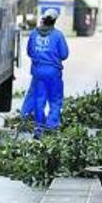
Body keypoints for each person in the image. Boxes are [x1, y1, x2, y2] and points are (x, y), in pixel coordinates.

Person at [27, 8, 70, 138]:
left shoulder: (34, 34)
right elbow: (64, 54)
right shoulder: (58, 35)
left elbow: (29, 52)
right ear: (54, 21)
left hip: (38, 72)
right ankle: (51, 127)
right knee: (55, 100)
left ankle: (39, 129)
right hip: (53, 73)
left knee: (39, 100)